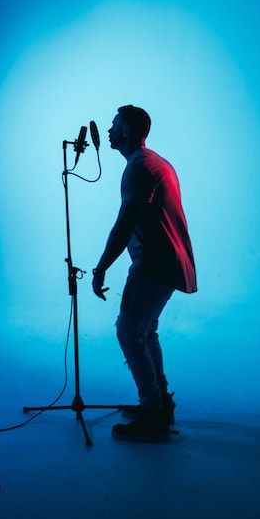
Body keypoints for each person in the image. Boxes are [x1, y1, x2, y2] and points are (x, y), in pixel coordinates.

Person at [91, 105, 196, 442]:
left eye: (114, 125)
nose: (109, 130)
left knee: (129, 330)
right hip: (163, 261)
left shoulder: (140, 169)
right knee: (145, 331)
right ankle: (159, 402)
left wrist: (101, 267)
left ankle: (153, 413)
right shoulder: (154, 163)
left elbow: (124, 226)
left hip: (155, 263)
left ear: (129, 132)